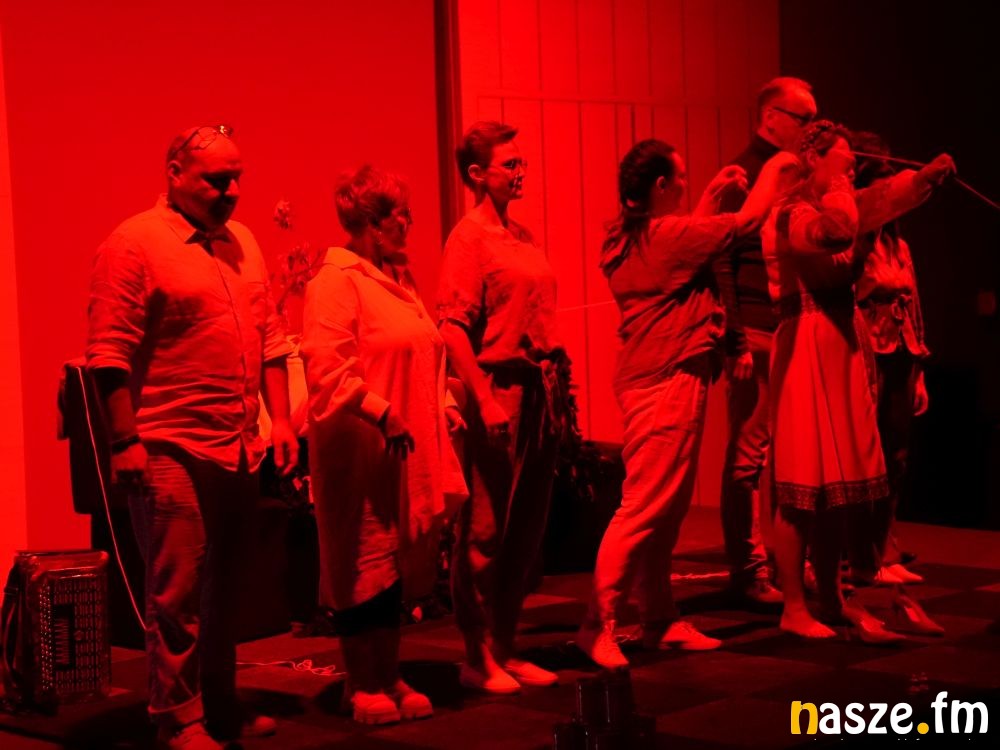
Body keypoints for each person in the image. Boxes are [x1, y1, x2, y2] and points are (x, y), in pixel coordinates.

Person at [87, 125, 298, 750]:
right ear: (174, 173)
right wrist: (124, 442)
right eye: (216, 179)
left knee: (227, 586)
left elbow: (271, 337)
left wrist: (282, 420)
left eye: (237, 178)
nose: (231, 190)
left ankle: (219, 701)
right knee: (176, 590)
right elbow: (108, 354)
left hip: (237, 442)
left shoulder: (244, 243)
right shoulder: (134, 244)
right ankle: (176, 717)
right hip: (167, 442)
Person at [577, 138, 799, 668]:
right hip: (667, 380)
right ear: (660, 186)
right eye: (678, 177)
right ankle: (596, 624)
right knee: (643, 507)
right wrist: (776, 164)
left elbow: (686, 250)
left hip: (654, 378)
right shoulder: (666, 237)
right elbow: (746, 224)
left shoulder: (626, 237)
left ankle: (659, 618)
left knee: (665, 507)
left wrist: (709, 197)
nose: (684, 183)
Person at [762, 120, 954, 641]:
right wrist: (844, 193)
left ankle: (831, 596)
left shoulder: (837, 200)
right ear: (814, 160)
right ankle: (794, 606)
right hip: (806, 343)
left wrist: (925, 178)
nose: (851, 169)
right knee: (803, 484)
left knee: (839, 488)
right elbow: (836, 231)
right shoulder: (791, 212)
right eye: (843, 160)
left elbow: (882, 199)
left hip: (840, 341)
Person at [300, 166, 467, 724]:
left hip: (404, 450)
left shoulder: (399, 280)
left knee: (395, 563)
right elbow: (326, 366)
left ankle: (388, 673)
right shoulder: (336, 280)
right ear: (373, 222)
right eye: (401, 214)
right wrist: (380, 410)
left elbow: (426, 355)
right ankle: (363, 681)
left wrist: (443, 408)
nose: (409, 223)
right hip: (360, 449)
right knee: (363, 560)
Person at [438, 121, 566, 694]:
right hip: (499, 389)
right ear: (477, 174)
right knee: (485, 531)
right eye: (508, 164)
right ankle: (476, 653)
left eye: (521, 163)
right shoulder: (468, 240)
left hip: (538, 389)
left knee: (525, 530)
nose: (519, 173)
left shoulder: (521, 235)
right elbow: (453, 328)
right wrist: (484, 397)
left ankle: (505, 646)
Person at [714, 77, 818, 605]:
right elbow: (722, 260)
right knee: (748, 453)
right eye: (804, 119)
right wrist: (734, 339)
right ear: (771, 116)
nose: (811, 130)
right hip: (755, 328)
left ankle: (787, 562)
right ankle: (749, 568)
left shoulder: (797, 174)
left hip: (790, 323)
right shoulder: (744, 174)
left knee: (788, 451)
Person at [848, 133, 930, 587]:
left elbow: (914, 305)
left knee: (896, 452)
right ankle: (858, 553)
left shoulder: (900, 246)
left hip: (900, 350)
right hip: (867, 351)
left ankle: (882, 546)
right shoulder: (858, 239)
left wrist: (920, 375)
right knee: (866, 453)